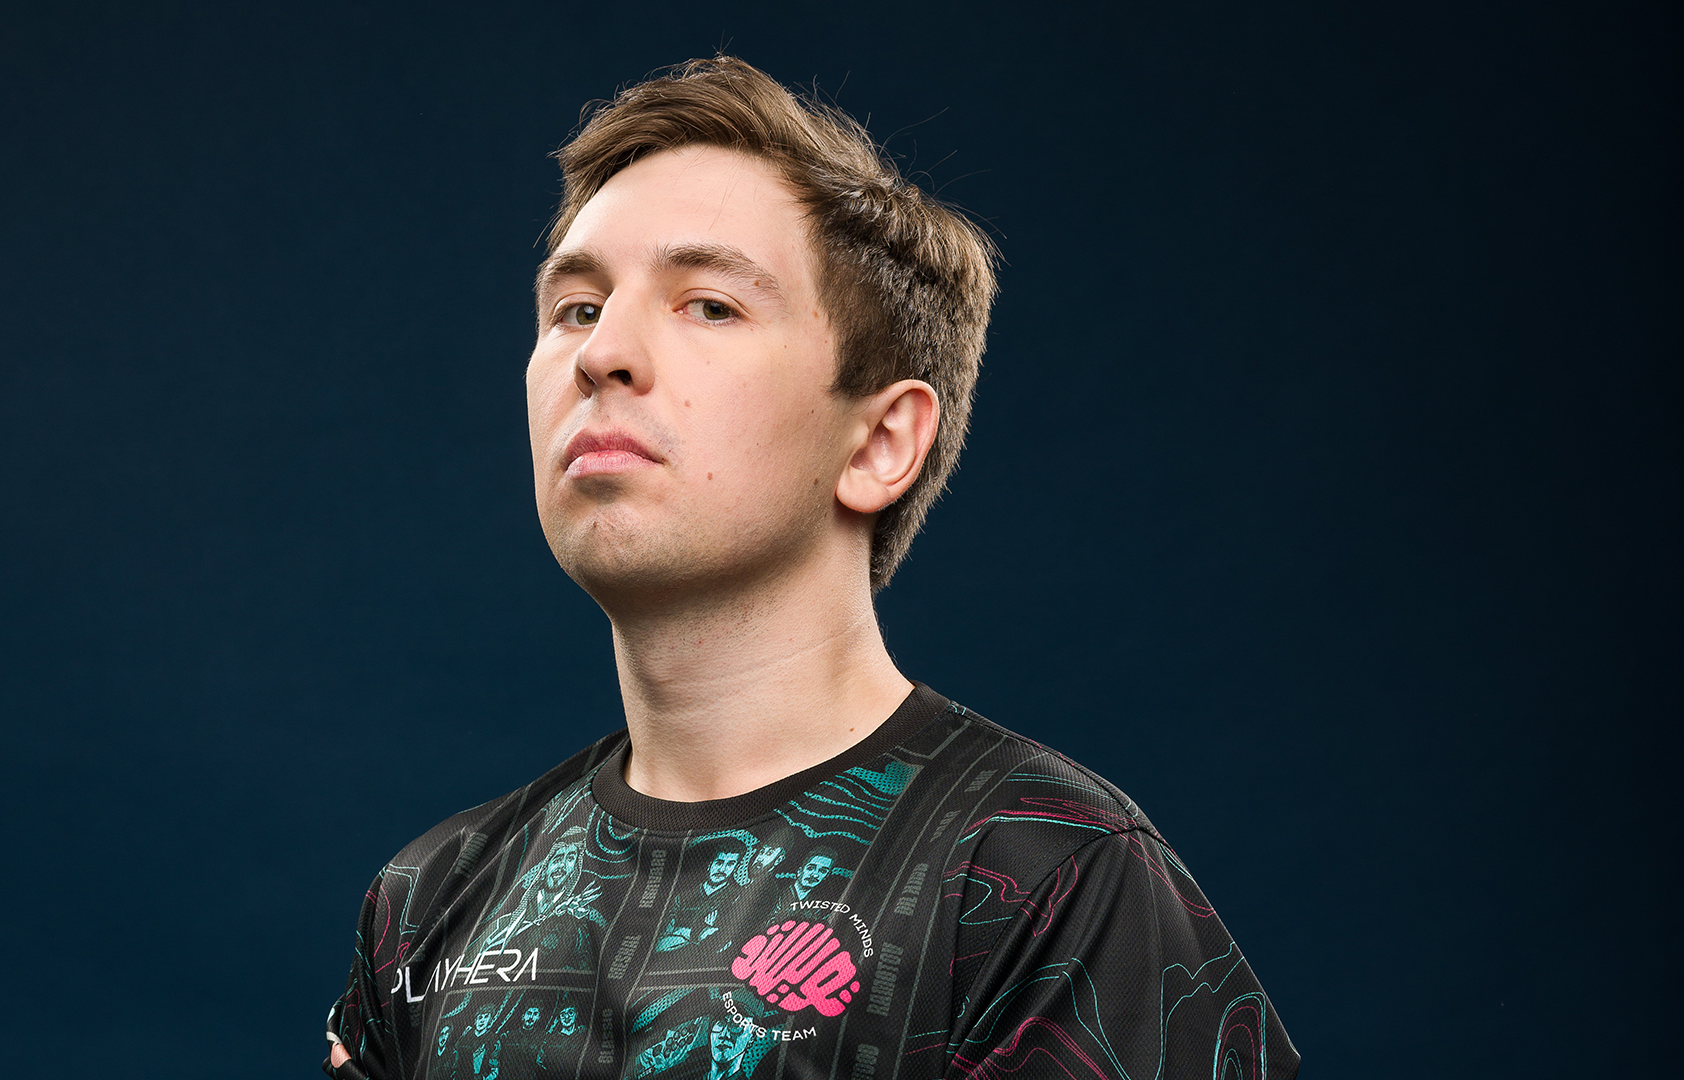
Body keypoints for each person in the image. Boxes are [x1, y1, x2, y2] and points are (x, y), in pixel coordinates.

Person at [323, 55, 1298, 1079]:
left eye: (709, 305)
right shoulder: (428, 905)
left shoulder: (1048, 884)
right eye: (576, 306)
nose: (601, 353)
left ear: (879, 442)